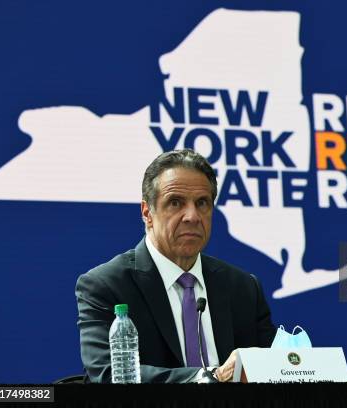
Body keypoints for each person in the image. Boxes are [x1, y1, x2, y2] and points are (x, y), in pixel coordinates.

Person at [75, 149, 277, 383]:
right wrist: (210, 377)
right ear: (147, 212)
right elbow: (109, 374)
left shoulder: (243, 287)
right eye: (175, 203)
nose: (192, 216)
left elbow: (272, 368)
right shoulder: (106, 285)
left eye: (202, 203)